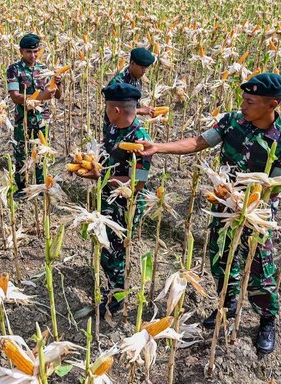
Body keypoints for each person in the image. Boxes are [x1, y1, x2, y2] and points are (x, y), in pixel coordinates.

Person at [137, 72, 281, 354]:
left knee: (261, 268)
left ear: (272, 104)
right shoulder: (231, 121)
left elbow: (275, 184)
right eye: (243, 98)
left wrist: (247, 202)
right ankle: (225, 309)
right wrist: (159, 147)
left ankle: (267, 319)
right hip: (222, 206)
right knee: (221, 259)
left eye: (250, 101)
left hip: (257, 210)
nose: (243, 104)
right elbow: (198, 142)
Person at [80, 83, 152, 317]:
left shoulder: (140, 139)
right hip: (107, 200)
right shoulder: (113, 129)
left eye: (108, 107)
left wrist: (101, 175)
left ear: (117, 110)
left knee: (115, 252)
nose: (106, 112)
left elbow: (138, 182)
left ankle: (117, 299)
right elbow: (106, 157)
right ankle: (112, 289)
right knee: (106, 250)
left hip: (125, 206)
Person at [6, 33, 62, 195]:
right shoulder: (14, 70)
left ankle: (41, 186)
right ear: (21, 51)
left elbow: (57, 95)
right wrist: (41, 96)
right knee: (21, 154)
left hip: (42, 119)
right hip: (23, 119)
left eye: (36, 51)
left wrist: (59, 84)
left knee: (42, 154)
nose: (33, 55)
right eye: (29, 52)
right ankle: (22, 188)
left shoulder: (43, 69)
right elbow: (15, 96)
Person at [103, 47, 156, 137]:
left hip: (129, 127)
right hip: (116, 132)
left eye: (146, 68)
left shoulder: (137, 80)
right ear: (132, 63)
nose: (144, 71)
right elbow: (115, 112)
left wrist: (146, 109)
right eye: (142, 67)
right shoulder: (118, 84)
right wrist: (140, 111)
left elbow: (132, 103)